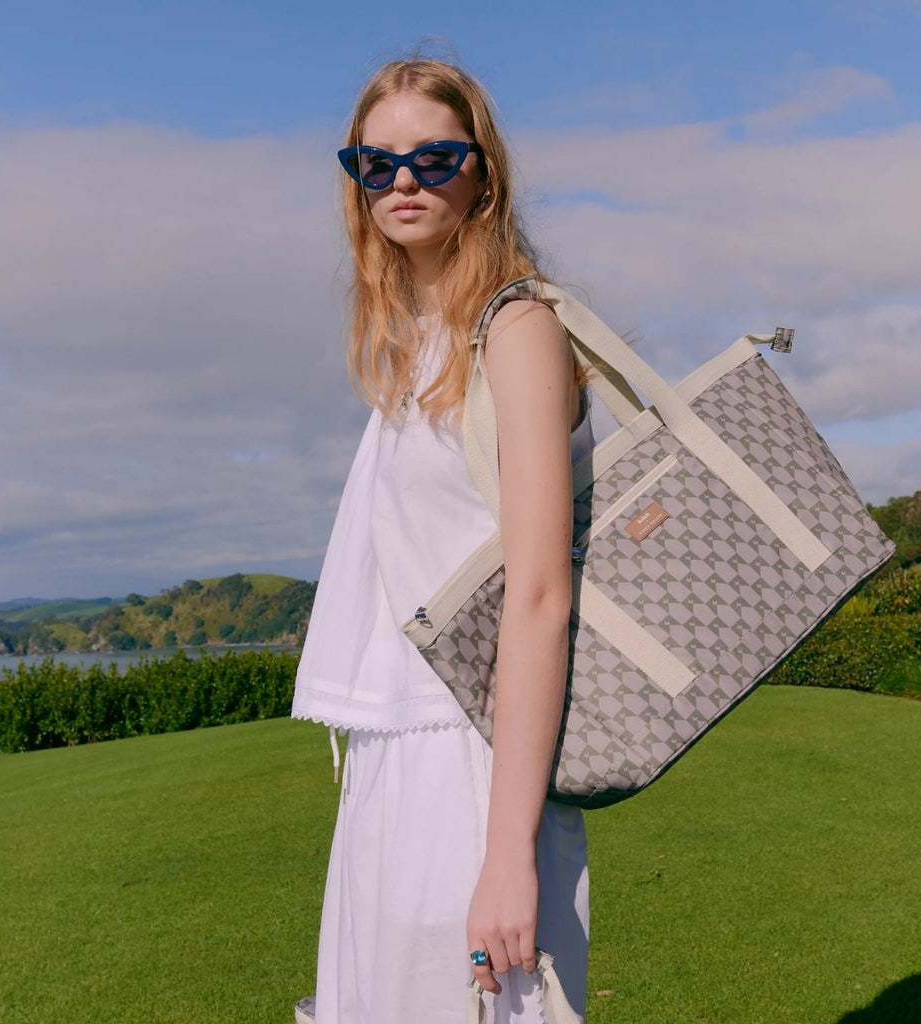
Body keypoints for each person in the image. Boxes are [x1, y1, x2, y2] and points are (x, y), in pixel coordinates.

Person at [291, 56, 592, 1024]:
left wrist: (505, 859)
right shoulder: (415, 340)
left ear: (484, 172)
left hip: (471, 765)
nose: (404, 182)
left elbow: (542, 593)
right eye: (375, 164)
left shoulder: (518, 328)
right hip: (394, 755)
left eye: (433, 156)